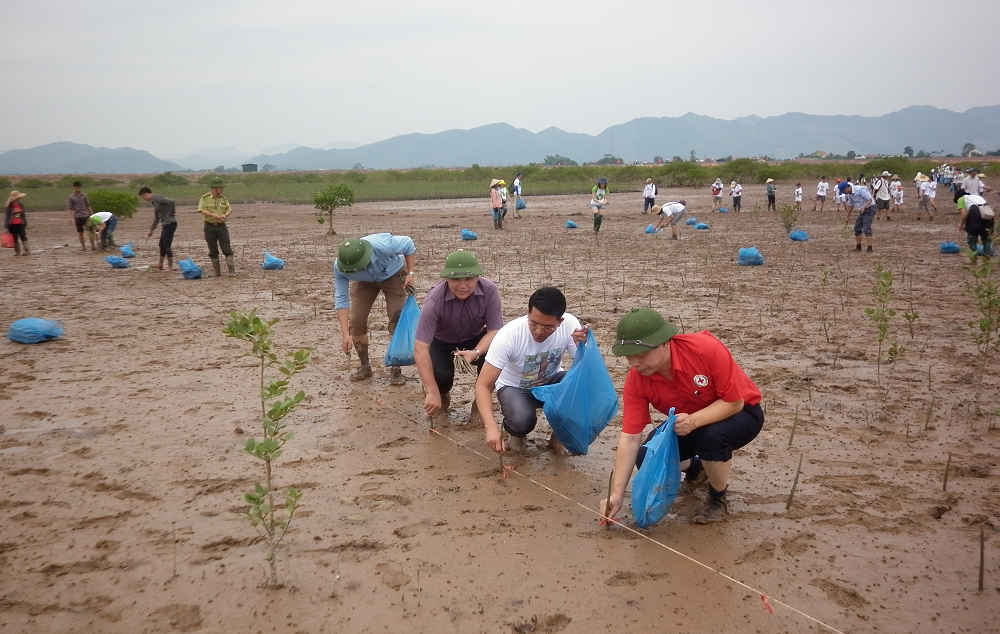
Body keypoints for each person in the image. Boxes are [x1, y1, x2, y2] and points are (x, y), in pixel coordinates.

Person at [599, 308, 763, 524]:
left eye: (641, 355)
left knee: (711, 438)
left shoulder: (706, 350)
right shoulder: (637, 379)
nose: (634, 363)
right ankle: (698, 469)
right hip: (687, 422)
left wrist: (694, 421)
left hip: (741, 413)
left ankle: (717, 498)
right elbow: (630, 437)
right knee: (646, 456)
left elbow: (735, 402)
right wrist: (617, 494)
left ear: (665, 343)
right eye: (628, 356)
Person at [475, 286, 589, 454]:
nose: (539, 331)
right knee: (521, 420)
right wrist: (490, 427)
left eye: (548, 327)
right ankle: (517, 433)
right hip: (514, 387)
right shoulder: (509, 335)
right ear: (528, 313)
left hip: (551, 381)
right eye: (534, 323)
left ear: (560, 322)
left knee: (581, 388)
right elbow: (483, 385)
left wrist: (584, 348)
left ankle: (558, 438)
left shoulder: (570, 325)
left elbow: (585, 371)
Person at [414, 250, 504, 427]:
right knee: (441, 376)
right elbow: (420, 347)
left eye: (469, 279)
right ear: (446, 278)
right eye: (455, 279)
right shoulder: (434, 300)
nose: (463, 285)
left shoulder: (490, 291)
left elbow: (495, 331)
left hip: (475, 339)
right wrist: (431, 390)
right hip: (442, 342)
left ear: (478, 277)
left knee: (497, 361)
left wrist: (476, 352)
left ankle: (479, 404)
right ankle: (441, 396)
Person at [334, 233, 417, 385]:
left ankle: (396, 369)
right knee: (357, 321)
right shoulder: (341, 267)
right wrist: (345, 334)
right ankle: (364, 366)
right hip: (363, 283)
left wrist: (410, 273)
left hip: (392, 274)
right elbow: (341, 299)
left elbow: (408, 244)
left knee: (397, 318)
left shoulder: (384, 245)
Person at [197, 177, 236, 276]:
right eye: (220, 187)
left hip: (221, 226)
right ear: (214, 188)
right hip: (209, 227)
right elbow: (202, 210)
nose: (222, 189)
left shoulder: (223, 199)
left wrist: (225, 215)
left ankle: (232, 271)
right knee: (212, 249)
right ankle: (217, 272)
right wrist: (213, 215)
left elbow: (229, 209)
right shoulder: (204, 198)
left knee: (227, 248)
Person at [139, 186, 177, 270]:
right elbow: (156, 218)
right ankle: (160, 264)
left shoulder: (157, 198)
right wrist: (151, 230)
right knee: (161, 244)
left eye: (143, 197)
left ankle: (170, 267)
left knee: (167, 245)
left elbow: (171, 201)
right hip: (165, 224)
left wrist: (171, 212)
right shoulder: (154, 203)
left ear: (146, 194)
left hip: (170, 223)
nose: (143, 199)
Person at [955, 189, 994, 257]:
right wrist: (967, 223)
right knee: (986, 236)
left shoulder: (961, 199)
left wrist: (961, 225)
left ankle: (973, 258)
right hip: (987, 212)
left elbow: (964, 215)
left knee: (972, 237)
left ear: (958, 197)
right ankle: (987, 257)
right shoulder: (976, 197)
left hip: (975, 212)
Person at [844, 180, 876, 252]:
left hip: (870, 208)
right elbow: (851, 206)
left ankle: (870, 248)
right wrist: (847, 216)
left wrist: (864, 207)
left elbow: (869, 199)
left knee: (866, 228)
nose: (844, 193)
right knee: (857, 228)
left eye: (844, 191)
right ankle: (858, 248)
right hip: (862, 210)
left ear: (847, 188)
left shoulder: (860, 189)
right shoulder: (850, 195)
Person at [67, 180, 95, 251]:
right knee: (80, 232)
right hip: (78, 217)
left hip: (86, 216)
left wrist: (92, 215)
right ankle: (83, 247)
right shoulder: (71, 197)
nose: (78, 189)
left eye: (79, 188)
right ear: (73, 188)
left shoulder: (84, 196)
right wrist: (69, 218)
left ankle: (93, 246)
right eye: (77, 188)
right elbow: (70, 208)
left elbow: (88, 205)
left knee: (91, 232)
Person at [4, 190, 29, 256]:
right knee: (15, 238)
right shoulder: (9, 206)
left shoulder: (21, 205)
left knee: (23, 237)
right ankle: (17, 252)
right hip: (12, 225)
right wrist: (7, 227)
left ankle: (27, 251)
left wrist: (26, 224)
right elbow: (7, 216)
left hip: (21, 224)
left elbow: (23, 215)